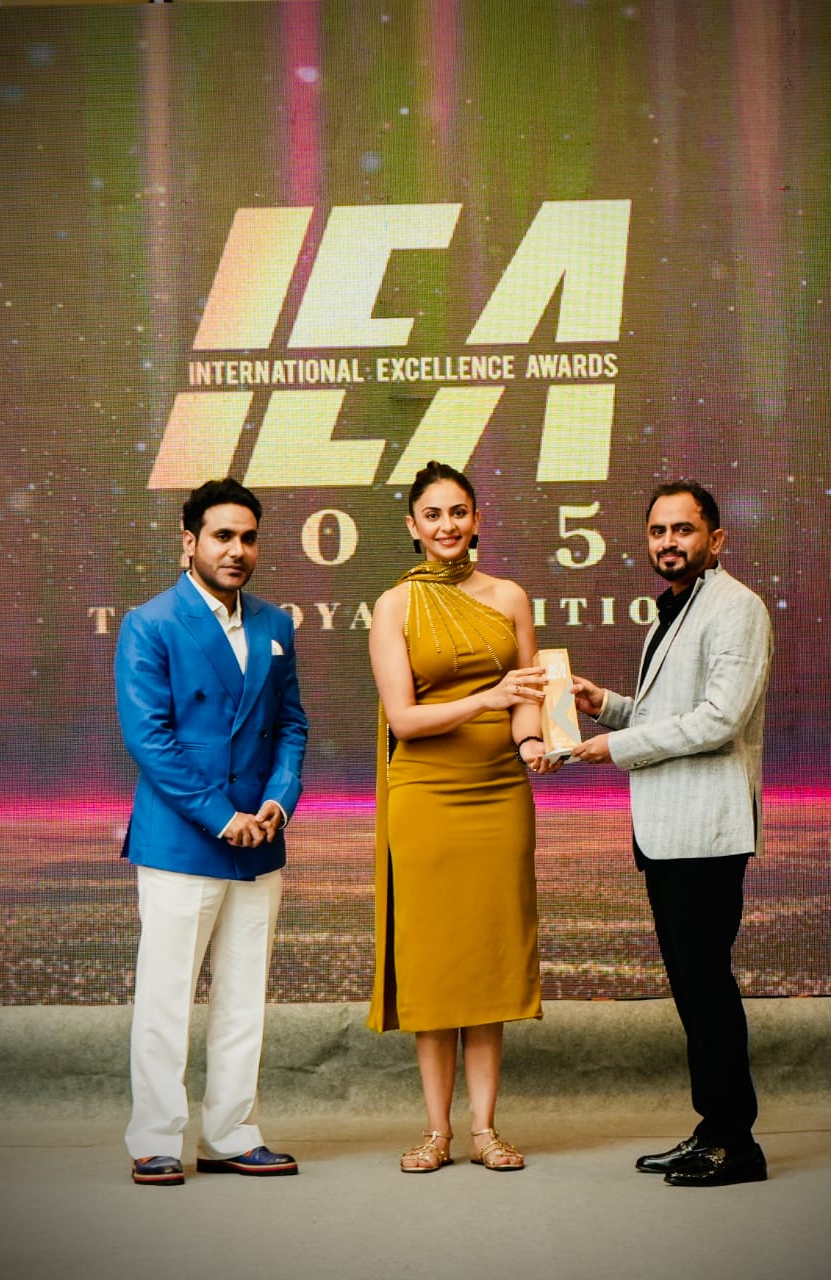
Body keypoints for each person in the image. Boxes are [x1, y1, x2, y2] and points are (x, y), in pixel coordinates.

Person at [571, 481, 773, 1188]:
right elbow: (670, 715)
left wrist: (615, 748)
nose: (668, 542)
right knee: (693, 989)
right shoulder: (675, 610)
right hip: (669, 832)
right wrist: (606, 706)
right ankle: (713, 1131)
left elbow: (719, 720)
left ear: (715, 539)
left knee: (707, 988)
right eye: (658, 531)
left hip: (706, 834)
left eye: (682, 530)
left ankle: (737, 1145)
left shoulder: (737, 607)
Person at [367, 460, 559, 1173]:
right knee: (436, 963)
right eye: (433, 515)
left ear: (477, 519)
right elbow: (404, 719)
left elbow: (530, 695)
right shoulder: (394, 606)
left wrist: (532, 742)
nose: (446, 525)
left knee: (487, 959)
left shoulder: (510, 597)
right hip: (426, 796)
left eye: (458, 512)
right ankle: (436, 1132)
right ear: (413, 527)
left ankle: (483, 1131)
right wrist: (488, 699)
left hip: (500, 792)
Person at [114, 477, 308, 1186]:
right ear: (189, 541)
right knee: (166, 997)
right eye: (223, 536)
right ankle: (155, 1140)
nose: (237, 550)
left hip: (260, 840)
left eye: (248, 538)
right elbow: (150, 739)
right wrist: (223, 816)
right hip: (183, 839)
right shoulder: (150, 623)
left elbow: (292, 726)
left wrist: (277, 802)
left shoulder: (274, 624)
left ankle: (230, 1135)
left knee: (243, 997)